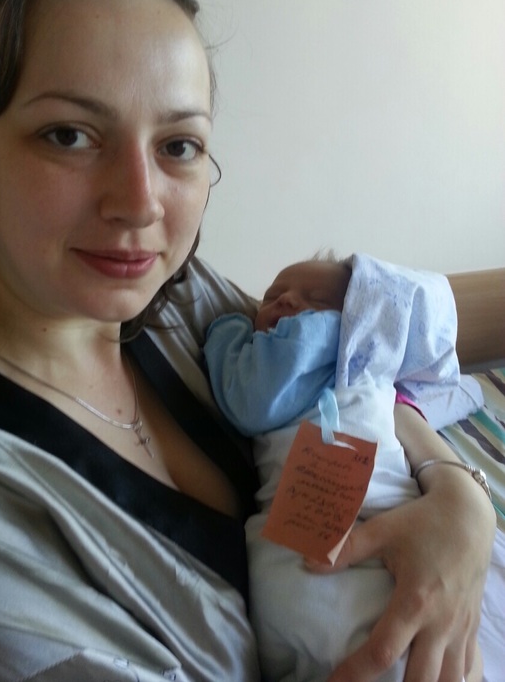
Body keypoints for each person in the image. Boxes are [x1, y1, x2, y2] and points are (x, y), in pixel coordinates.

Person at [0, 0, 495, 682]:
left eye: (177, 146)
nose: (139, 203)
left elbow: (349, 372)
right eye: (68, 135)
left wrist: (459, 496)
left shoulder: (185, 303)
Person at [204, 253, 489, 681]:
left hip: (395, 516)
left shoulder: (365, 370)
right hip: (310, 539)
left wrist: (228, 330)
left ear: (361, 318)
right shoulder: (281, 371)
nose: (287, 301)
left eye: (318, 300)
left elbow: (440, 395)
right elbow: (251, 397)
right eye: (272, 296)